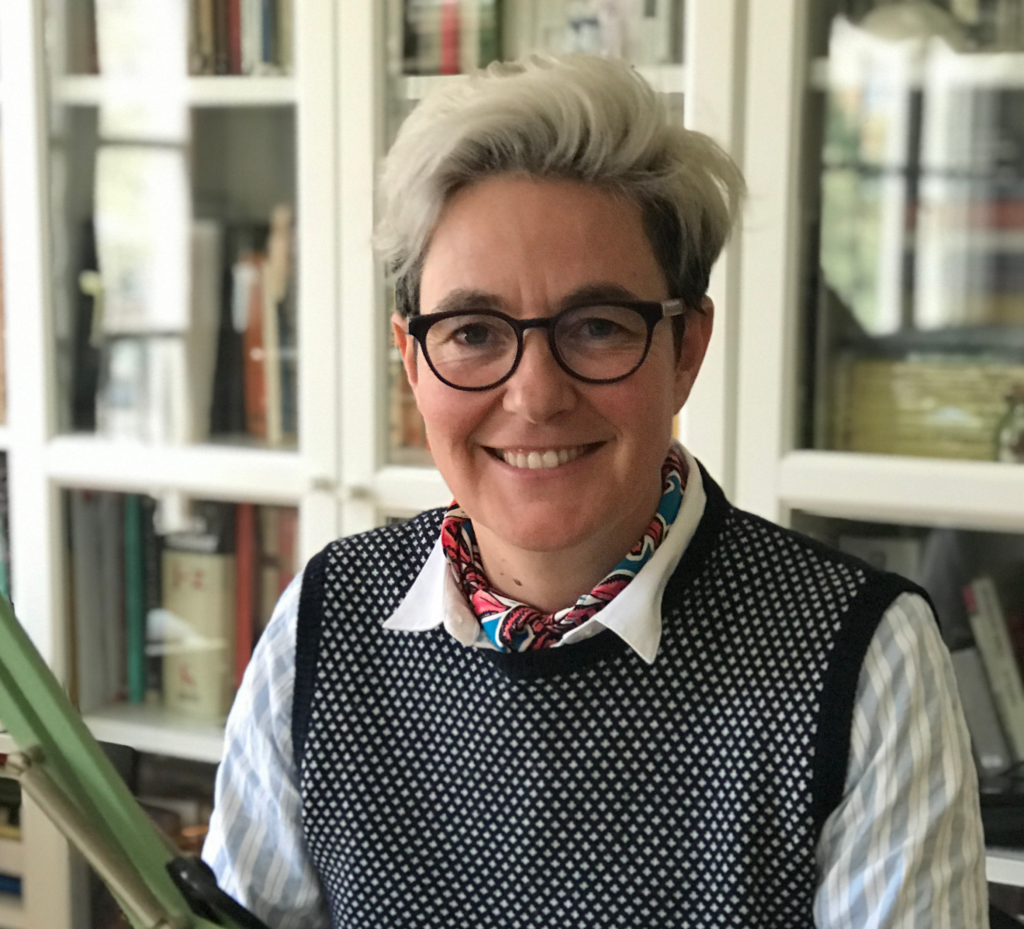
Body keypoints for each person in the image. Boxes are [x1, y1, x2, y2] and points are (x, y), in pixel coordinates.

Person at [203, 55, 987, 928]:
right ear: (412, 360)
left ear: (686, 349)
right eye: (473, 332)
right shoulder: (327, 615)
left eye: (598, 326)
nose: (535, 395)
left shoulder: (863, 656)